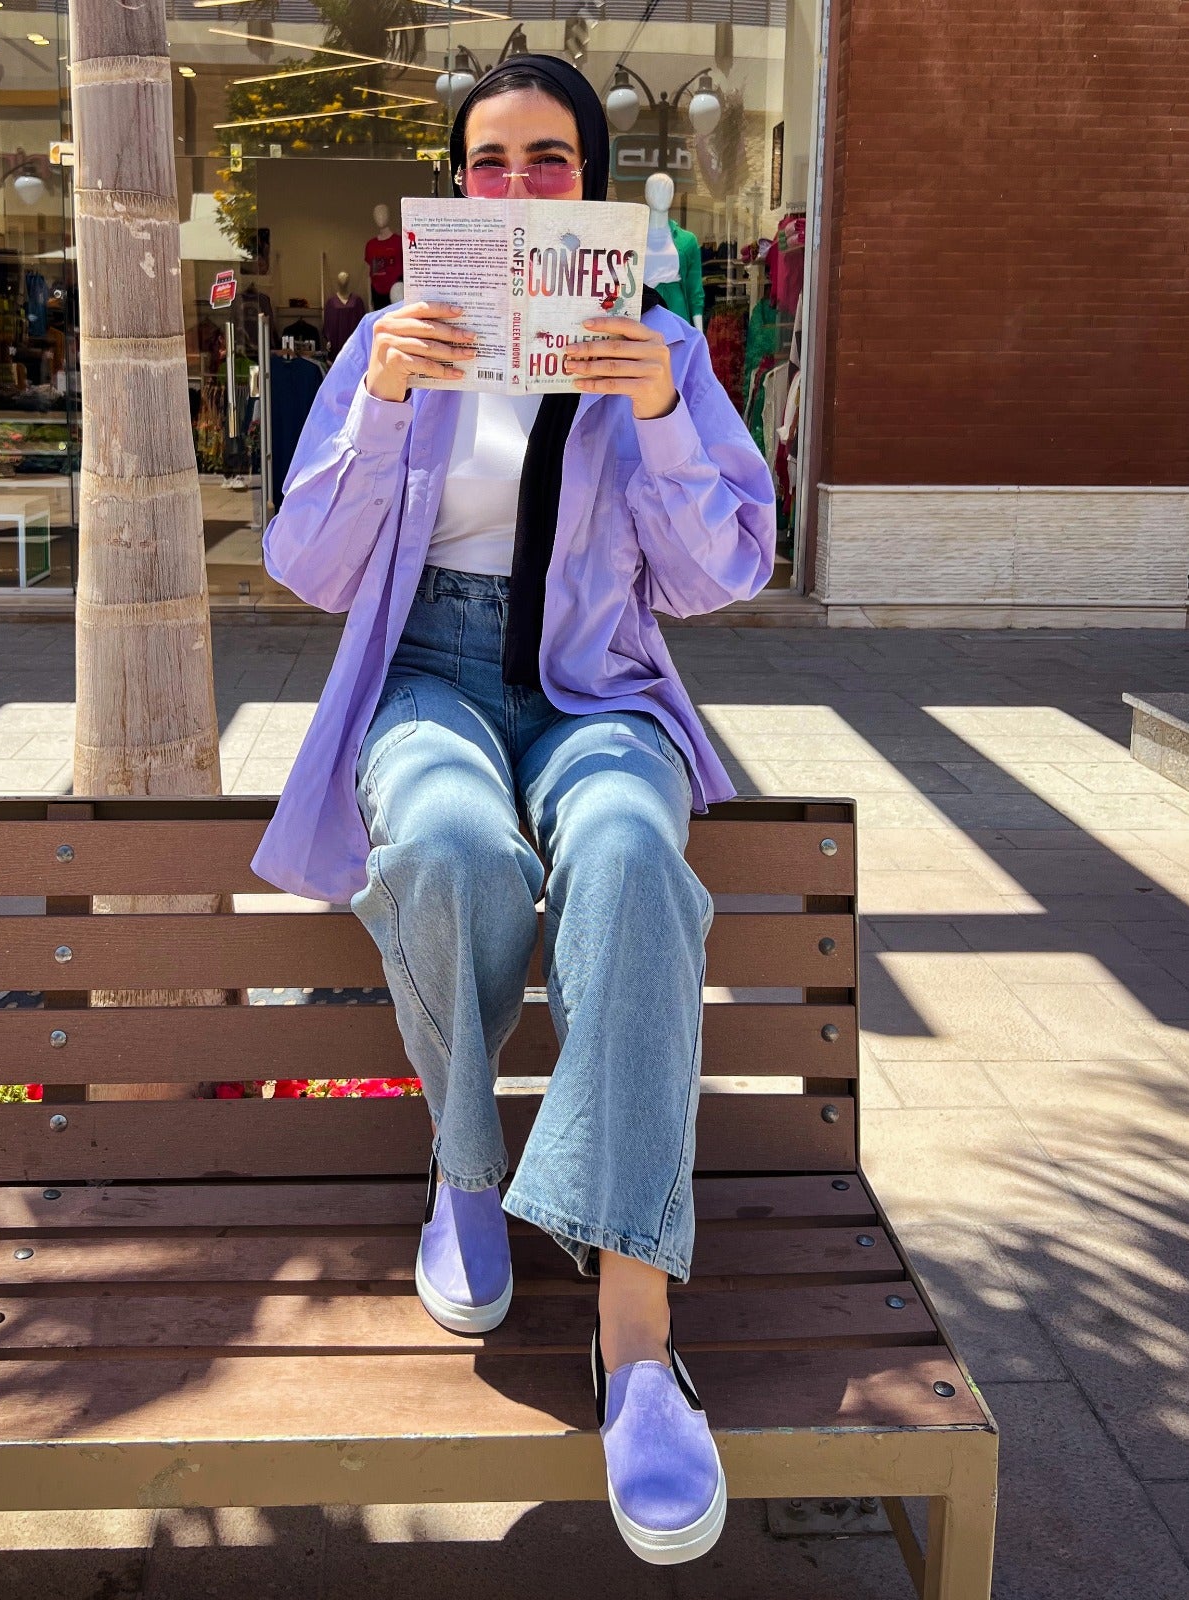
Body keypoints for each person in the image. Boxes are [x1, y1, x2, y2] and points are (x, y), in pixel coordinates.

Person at [250, 54, 776, 1565]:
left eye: (553, 161)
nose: (521, 185)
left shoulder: (659, 339)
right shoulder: (388, 342)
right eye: (492, 161)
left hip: (596, 681)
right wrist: (388, 400)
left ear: (595, 188)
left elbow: (723, 573)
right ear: (452, 183)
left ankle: (633, 1331)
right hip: (428, 670)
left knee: (622, 846)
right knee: (451, 842)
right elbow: (305, 564)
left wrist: (668, 409)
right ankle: (468, 1171)